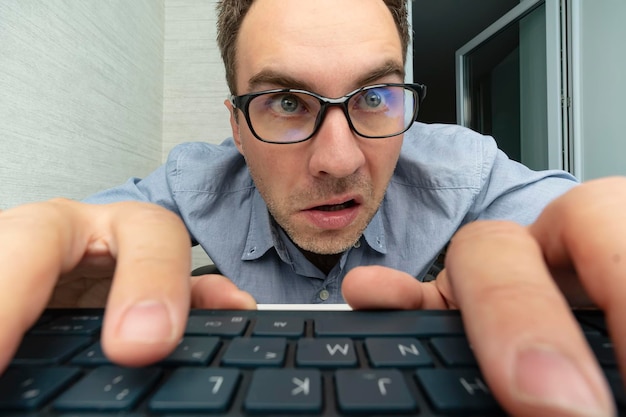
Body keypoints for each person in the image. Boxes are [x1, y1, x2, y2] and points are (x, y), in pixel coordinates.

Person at [0, 0, 624, 415]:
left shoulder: (465, 168)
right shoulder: (197, 181)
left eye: (375, 96)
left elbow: (564, 223)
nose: (339, 160)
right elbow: (101, 230)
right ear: (238, 128)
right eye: (288, 102)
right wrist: (63, 290)